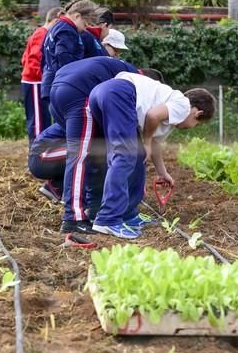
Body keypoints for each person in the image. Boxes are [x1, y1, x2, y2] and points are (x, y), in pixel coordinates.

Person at [89, 73, 216, 238]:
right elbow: (152, 116)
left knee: (136, 158)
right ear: (197, 113)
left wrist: (163, 172)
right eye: (197, 124)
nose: (192, 127)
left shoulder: (171, 110)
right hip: (119, 93)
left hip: (103, 93)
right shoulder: (183, 106)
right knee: (125, 156)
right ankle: (108, 219)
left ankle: (129, 215)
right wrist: (146, 142)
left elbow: (155, 144)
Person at [49, 56, 139, 233]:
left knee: (91, 153)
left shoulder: (118, 67)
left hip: (58, 88)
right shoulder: (137, 80)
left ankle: (92, 207)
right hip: (80, 93)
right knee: (80, 155)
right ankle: (73, 218)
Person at [40, 0, 98, 106]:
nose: (85, 29)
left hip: (52, 84)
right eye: (85, 24)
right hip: (64, 85)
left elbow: (43, 55)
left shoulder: (55, 28)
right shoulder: (67, 30)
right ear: (77, 16)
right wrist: (73, 80)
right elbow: (63, 55)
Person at [21, 6, 62, 143]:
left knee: (43, 118)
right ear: (56, 20)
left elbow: (24, 58)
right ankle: (37, 154)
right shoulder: (43, 34)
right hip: (35, 82)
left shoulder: (40, 33)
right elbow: (35, 59)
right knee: (38, 120)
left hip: (36, 81)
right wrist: (46, 76)